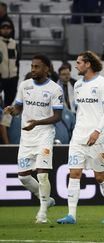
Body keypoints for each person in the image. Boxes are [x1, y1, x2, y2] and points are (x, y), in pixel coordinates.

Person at [57, 51, 104, 224]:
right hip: (79, 136)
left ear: (88, 64)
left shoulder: (102, 83)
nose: (76, 66)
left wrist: (98, 130)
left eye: (78, 62)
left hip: (97, 136)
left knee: (100, 176)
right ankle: (71, 215)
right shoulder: (77, 86)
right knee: (74, 173)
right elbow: (81, 112)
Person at [3, 54, 63, 223]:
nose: (33, 70)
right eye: (32, 66)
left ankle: (42, 213)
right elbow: (19, 108)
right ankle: (47, 199)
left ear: (46, 69)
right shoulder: (25, 85)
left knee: (42, 175)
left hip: (44, 135)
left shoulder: (54, 89)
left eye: (37, 67)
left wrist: (37, 122)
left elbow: (58, 116)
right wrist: (11, 110)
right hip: (27, 136)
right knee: (23, 177)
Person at [0, 19, 18, 107]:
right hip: (1, 76)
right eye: (3, 28)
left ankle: (5, 117)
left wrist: (16, 75)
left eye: (8, 28)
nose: (6, 30)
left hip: (12, 78)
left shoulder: (14, 43)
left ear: (11, 30)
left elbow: (16, 60)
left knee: (10, 101)